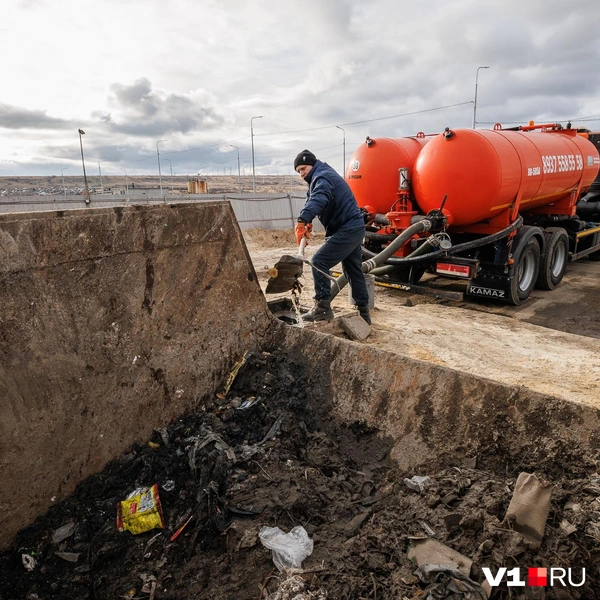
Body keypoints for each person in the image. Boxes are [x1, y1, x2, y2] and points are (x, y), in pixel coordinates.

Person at [294, 149, 371, 324]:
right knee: (352, 270)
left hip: (348, 228)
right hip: (351, 227)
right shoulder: (319, 178)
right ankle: (364, 314)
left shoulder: (322, 177)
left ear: (312, 164)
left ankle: (322, 308)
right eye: (298, 171)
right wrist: (309, 220)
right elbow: (313, 201)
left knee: (319, 261)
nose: (301, 173)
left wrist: (302, 219)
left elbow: (319, 198)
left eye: (303, 168)